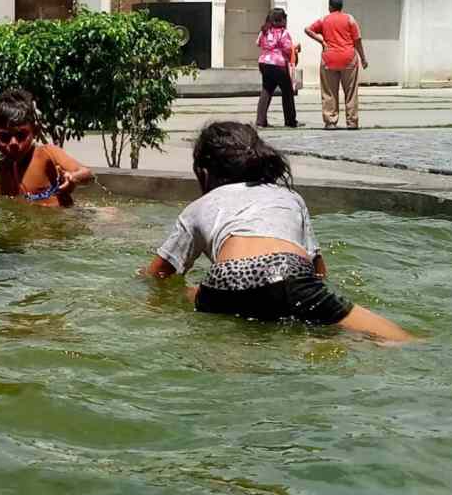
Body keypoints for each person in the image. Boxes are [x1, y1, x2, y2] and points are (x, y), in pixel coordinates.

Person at [140, 121, 412, 343]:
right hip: (288, 275)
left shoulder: (198, 206)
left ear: (204, 172)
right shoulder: (289, 196)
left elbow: (159, 274)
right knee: (393, 338)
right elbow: (319, 272)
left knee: (184, 294)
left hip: (223, 282)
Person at [0, 88, 93, 208]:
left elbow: (87, 174)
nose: (13, 143)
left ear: (35, 131)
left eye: (21, 135)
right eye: (4, 137)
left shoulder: (47, 154)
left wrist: (73, 177)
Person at [305, 0, 368, 130]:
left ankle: (330, 122)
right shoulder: (350, 19)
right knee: (351, 92)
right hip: (349, 59)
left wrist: (321, 41)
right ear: (341, 6)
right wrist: (363, 58)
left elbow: (308, 29)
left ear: (330, 7)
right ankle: (352, 122)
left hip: (329, 59)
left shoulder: (324, 20)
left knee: (329, 92)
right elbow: (357, 40)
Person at [255, 9, 299, 129]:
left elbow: (258, 43)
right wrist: (295, 49)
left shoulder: (264, 31)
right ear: (282, 19)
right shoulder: (283, 32)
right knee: (287, 91)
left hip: (264, 62)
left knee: (266, 90)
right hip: (278, 64)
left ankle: (260, 120)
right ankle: (290, 120)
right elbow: (288, 48)